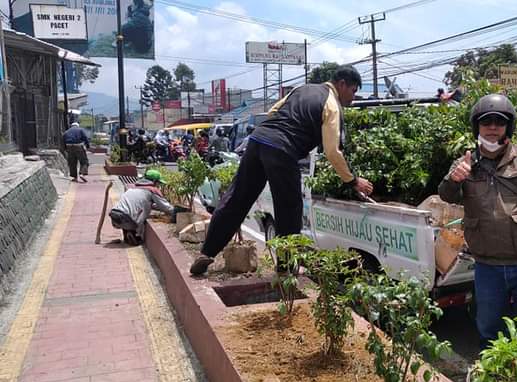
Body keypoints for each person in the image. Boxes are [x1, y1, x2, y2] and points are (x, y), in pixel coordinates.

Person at [190, 65, 374, 275]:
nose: (353, 97)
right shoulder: (332, 105)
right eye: (353, 91)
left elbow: (273, 112)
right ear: (342, 84)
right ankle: (286, 269)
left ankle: (206, 253)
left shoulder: (301, 89)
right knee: (289, 208)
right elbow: (333, 152)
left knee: (236, 199)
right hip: (282, 148)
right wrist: (352, 181)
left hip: (258, 141)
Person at [438, 93, 517, 345]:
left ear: (508, 126)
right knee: (490, 328)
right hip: (488, 264)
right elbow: (446, 195)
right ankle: (495, 381)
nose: (493, 127)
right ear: (477, 127)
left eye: (499, 122)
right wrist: (455, 179)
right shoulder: (466, 162)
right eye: (486, 122)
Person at [109, 169, 175, 246]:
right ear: (154, 181)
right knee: (142, 210)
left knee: (131, 210)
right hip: (127, 219)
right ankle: (135, 234)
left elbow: (147, 204)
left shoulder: (133, 188)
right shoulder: (152, 190)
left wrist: (156, 207)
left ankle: (127, 234)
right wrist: (176, 211)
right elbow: (165, 207)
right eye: (158, 183)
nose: (158, 185)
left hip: (114, 216)